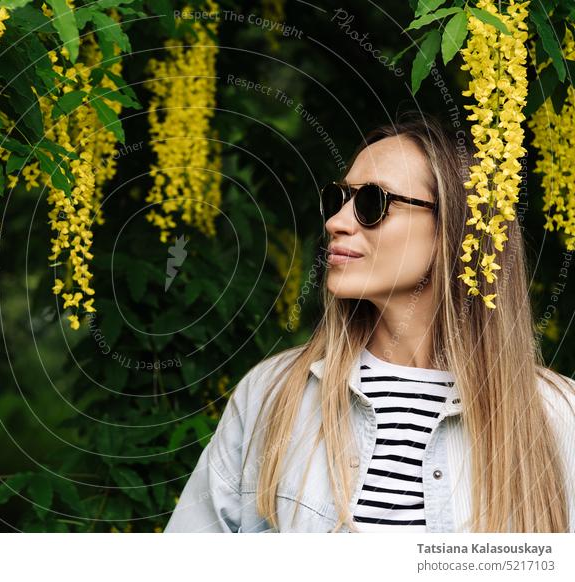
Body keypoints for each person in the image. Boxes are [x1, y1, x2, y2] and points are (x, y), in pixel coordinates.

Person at [164, 111, 575, 533]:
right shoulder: (271, 394)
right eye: (337, 199)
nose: (336, 222)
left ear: (456, 228)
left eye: (372, 203)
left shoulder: (556, 416)